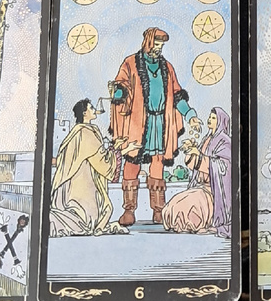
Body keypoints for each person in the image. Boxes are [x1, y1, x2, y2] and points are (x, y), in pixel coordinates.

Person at [110, 28, 199, 226]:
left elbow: (177, 95)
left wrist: (190, 115)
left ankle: (158, 210)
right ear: (148, 42)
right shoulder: (130, 63)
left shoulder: (167, 67)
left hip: (160, 123)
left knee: (158, 163)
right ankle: (129, 211)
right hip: (138, 123)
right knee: (132, 162)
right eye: (156, 44)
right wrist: (118, 93)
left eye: (161, 45)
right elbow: (120, 87)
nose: (159, 48)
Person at [48, 99, 126, 237]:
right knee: (86, 217)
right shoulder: (85, 133)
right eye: (91, 108)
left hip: (81, 182)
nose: (95, 110)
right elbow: (101, 161)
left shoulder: (80, 131)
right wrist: (118, 149)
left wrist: (116, 148)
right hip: (83, 185)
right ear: (84, 113)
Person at [163, 107, 233, 237]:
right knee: (176, 201)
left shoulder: (225, 141)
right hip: (200, 187)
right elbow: (195, 165)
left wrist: (199, 156)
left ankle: (193, 223)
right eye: (210, 117)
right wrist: (191, 150)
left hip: (215, 192)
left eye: (213, 118)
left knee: (187, 205)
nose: (209, 120)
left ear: (220, 121)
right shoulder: (207, 139)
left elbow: (224, 167)